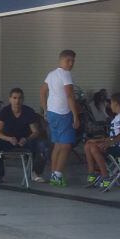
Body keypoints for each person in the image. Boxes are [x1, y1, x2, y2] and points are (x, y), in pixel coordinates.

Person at [0, 88, 50, 183]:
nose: (17, 101)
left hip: (24, 140)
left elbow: (35, 132)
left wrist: (26, 139)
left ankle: (35, 172)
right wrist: (8, 138)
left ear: (23, 99)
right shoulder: (4, 112)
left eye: (20, 98)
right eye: (14, 98)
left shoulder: (28, 111)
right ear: (10, 99)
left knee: (43, 146)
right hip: (8, 140)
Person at [40, 49, 80, 187]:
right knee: (66, 145)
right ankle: (57, 175)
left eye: (73, 61)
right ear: (61, 60)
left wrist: (45, 109)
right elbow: (70, 96)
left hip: (52, 113)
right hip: (63, 113)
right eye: (68, 60)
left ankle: (53, 174)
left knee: (57, 145)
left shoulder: (51, 74)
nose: (70, 63)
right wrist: (75, 116)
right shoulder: (66, 74)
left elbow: (42, 91)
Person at [83, 92, 120, 189]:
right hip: (114, 145)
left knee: (93, 148)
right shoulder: (118, 117)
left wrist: (108, 143)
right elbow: (114, 135)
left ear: (117, 104)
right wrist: (101, 140)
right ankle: (92, 174)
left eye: (111, 103)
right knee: (88, 145)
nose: (110, 106)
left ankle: (105, 176)